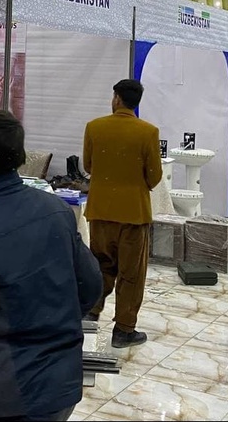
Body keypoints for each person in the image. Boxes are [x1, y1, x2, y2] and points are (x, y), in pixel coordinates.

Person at [0, 110, 102, 422]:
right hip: (64, 378)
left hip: (14, 389)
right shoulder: (55, 209)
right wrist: (57, 326)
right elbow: (91, 284)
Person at [82, 79, 163, 348]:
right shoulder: (148, 132)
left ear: (116, 98)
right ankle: (123, 330)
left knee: (99, 265)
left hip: (100, 211)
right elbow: (154, 176)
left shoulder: (94, 127)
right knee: (131, 273)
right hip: (133, 213)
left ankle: (90, 314)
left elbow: (89, 166)